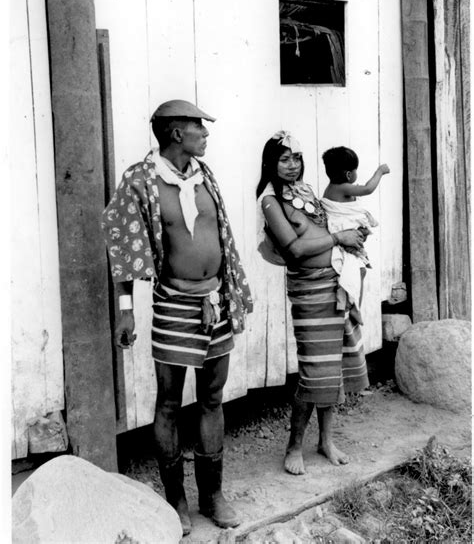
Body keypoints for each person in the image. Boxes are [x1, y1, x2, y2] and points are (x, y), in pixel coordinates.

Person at [102, 99, 253, 535]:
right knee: (169, 401)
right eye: (198, 128)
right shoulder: (141, 180)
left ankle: (213, 495)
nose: (205, 134)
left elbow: (219, 234)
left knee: (212, 397)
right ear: (175, 134)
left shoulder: (204, 176)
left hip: (215, 301)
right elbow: (125, 249)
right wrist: (126, 310)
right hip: (173, 303)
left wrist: (227, 290)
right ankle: (176, 500)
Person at [256, 131, 369, 476]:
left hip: (335, 284)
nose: (293, 166)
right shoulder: (271, 201)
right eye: (284, 159)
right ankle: (294, 446)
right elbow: (294, 249)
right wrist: (339, 238)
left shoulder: (306, 192)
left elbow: (331, 226)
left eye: (297, 158)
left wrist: (354, 235)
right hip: (309, 292)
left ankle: (326, 441)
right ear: (270, 163)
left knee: (332, 367)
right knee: (313, 370)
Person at [321, 146, 390, 310]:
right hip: (344, 237)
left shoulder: (334, 188)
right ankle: (353, 307)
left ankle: (353, 306)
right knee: (356, 273)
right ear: (348, 175)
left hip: (346, 234)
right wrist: (380, 171)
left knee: (358, 272)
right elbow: (367, 188)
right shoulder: (342, 187)